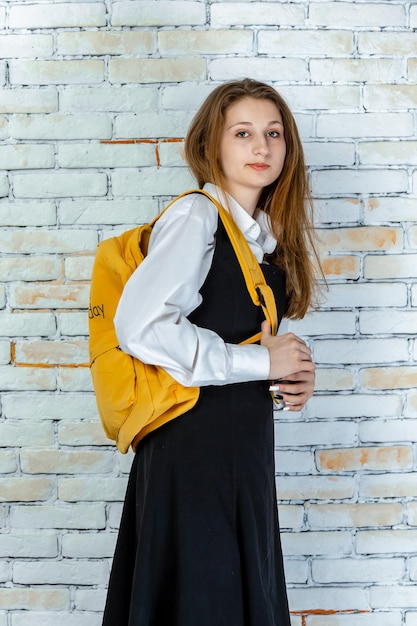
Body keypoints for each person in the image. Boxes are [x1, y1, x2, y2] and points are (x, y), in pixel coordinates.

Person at [102, 78, 319, 626]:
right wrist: (260, 363)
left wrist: (284, 378)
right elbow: (140, 326)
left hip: (236, 452)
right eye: (242, 132)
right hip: (193, 451)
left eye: (274, 133)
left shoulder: (257, 239)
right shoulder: (197, 216)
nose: (262, 147)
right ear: (212, 145)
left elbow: (238, 343)